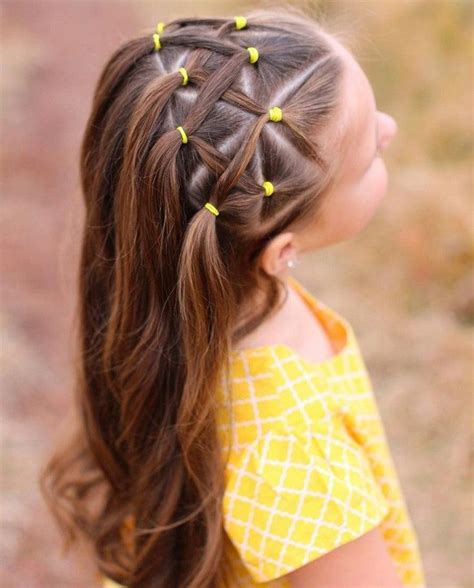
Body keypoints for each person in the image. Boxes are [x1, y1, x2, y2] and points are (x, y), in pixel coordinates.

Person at [39, 7, 426, 588]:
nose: (390, 129)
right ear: (279, 251)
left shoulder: (172, 301)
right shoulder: (296, 457)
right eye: (370, 150)